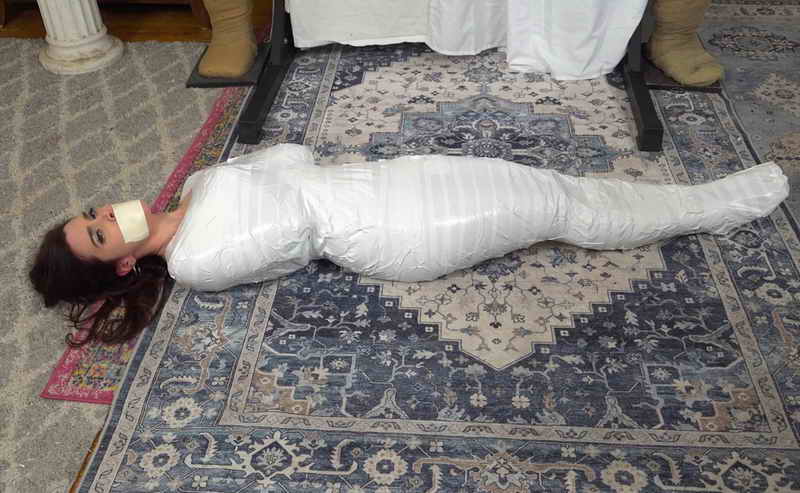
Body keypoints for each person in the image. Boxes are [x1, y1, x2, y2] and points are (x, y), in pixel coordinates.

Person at [30, 144, 788, 346]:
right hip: (399, 231)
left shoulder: (199, 182)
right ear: (123, 262)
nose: (108, 212)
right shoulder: (194, 261)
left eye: (93, 212)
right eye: (99, 232)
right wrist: (264, 174)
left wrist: (256, 175)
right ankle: (711, 209)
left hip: (394, 177)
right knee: (560, 208)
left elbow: (295, 159)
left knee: (553, 183)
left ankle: (696, 202)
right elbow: (293, 225)